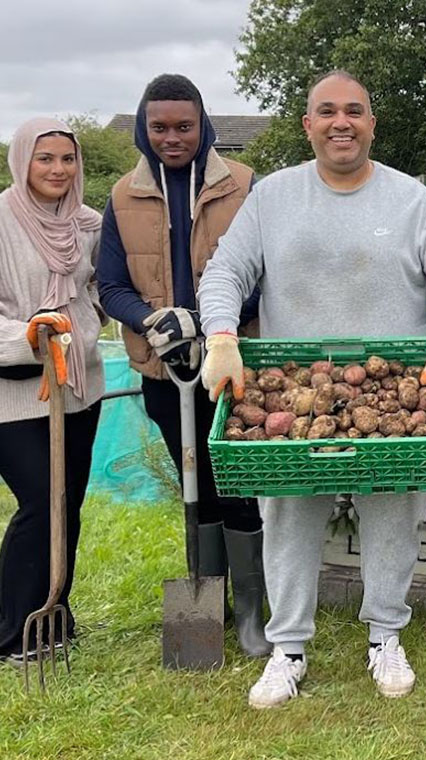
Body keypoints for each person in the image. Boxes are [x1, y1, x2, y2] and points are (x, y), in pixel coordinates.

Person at [197, 69, 426, 708]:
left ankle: (385, 634)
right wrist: (220, 333)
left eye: (354, 111)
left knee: (393, 514)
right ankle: (288, 647)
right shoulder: (273, 197)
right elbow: (224, 271)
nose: (341, 122)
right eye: (326, 111)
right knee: (289, 516)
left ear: (371, 123)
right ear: (307, 125)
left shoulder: (411, 199)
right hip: (294, 390)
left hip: (390, 395)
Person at [96, 74, 269, 657]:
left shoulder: (242, 185)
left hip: (229, 366)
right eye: (160, 127)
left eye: (184, 126)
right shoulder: (122, 196)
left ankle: (250, 610)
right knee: (194, 486)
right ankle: (207, 601)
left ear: (204, 125)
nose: (173, 138)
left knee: (238, 483)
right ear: (145, 129)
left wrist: (208, 321)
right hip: (163, 369)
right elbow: (111, 286)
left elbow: (263, 273)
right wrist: (154, 323)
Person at [0, 118, 104, 664]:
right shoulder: (0, 219)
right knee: (41, 500)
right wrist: (30, 334)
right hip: (15, 391)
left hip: (78, 386)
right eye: (46, 159)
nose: (58, 170)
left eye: (67, 159)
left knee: (69, 503)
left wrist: (88, 322)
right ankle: (13, 629)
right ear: (23, 161)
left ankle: (55, 616)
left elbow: (95, 286)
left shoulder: (89, 223)